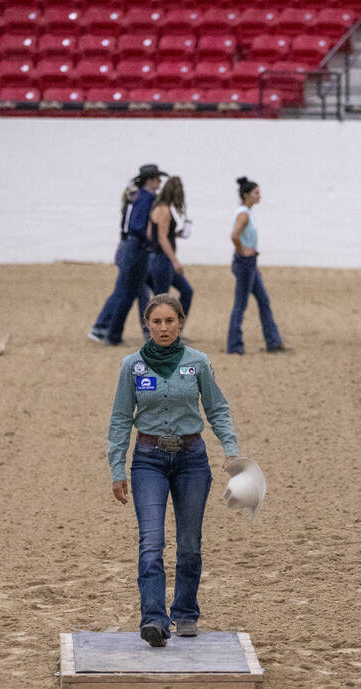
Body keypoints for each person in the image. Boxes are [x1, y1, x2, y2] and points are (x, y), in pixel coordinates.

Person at [107, 294, 242, 647]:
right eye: (157, 322)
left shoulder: (198, 362)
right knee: (151, 542)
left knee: (189, 544)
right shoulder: (131, 366)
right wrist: (116, 468)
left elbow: (218, 409)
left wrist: (231, 451)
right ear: (147, 325)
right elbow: (121, 419)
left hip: (191, 461)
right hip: (148, 460)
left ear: (180, 322)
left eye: (170, 321)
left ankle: (184, 612)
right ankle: (153, 619)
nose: (164, 328)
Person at [89, 172, 157, 343]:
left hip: (127, 248)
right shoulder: (143, 199)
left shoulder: (132, 201)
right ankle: (102, 327)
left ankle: (145, 331)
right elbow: (137, 228)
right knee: (125, 291)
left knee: (139, 292)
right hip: (132, 249)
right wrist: (151, 239)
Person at [226, 176, 287, 354]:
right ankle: (234, 345)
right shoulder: (244, 214)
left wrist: (253, 263)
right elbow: (234, 235)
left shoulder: (247, 213)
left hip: (250, 265)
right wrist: (242, 251)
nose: (259, 196)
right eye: (256, 193)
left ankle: (273, 341)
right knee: (240, 305)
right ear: (247, 195)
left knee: (263, 301)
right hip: (244, 263)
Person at [146, 175, 195, 318]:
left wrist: (173, 234)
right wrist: (175, 261)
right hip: (162, 260)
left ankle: (174, 332)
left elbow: (150, 233)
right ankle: (159, 336)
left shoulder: (156, 206)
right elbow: (161, 237)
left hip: (156, 258)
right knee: (161, 301)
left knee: (186, 291)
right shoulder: (165, 210)